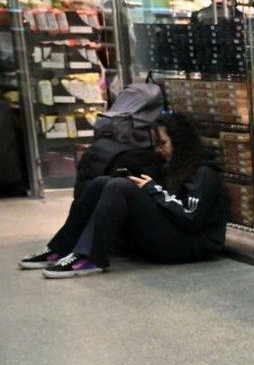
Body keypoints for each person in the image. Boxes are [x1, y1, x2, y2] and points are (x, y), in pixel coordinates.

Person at [18, 112, 227, 278]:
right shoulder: (174, 167)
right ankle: (60, 248)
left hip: (189, 246)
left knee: (119, 187)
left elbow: (191, 218)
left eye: (164, 144)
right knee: (103, 183)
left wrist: (153, 190)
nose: (159, 150)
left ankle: (91, 257)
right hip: (172, 237)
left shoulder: (204, 174)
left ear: (180, 144)